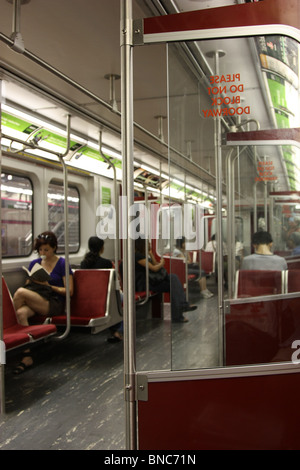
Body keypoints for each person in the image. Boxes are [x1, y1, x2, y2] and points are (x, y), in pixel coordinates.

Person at [12, 231, 74, 374]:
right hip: (37, 297)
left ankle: (4, 328)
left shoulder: (62, 263)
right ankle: (26, 356)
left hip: (53, 301)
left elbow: (69, 291)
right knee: (21, 313)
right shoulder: (35, 263)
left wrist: (48, 285)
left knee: (20, 293)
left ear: (53, 248)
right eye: (40, 250)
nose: (43, 252)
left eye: (46, 249)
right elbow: (29, 284)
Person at [135, 238, 197, 323]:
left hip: (151, 281)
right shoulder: (137, 256)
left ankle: (182, 308)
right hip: (145, 283)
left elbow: (154, 264)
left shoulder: (144, 255)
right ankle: (179, 313)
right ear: (142, 244)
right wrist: (161, 264)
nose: (150, 244)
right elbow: (155, 268)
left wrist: (151, 254)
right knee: (173, 284)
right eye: (148, 243)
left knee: (173, 278)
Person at [81, 236, 123, 343]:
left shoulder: (84, 263)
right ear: (101, 248)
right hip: (104, 294)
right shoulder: (106, 263)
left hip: (87, 294)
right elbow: (113, 282)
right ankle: (118, 330)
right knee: (123, 300)